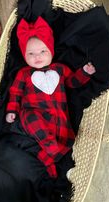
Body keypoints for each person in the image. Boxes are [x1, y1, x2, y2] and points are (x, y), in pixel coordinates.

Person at [6, 16, 96, 178]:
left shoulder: (59, 69)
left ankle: (48, 159)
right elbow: (15, 93)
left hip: (58, 117)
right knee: (29, 116)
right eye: (31, 53)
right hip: (34, 113)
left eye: (42, 51)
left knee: (69, 139)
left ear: (51, 51)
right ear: (24, 55)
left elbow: (72, 82)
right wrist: (11, 110)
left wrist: (84, 73)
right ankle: (51, 150)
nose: (37, 56)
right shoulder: (24, 73)